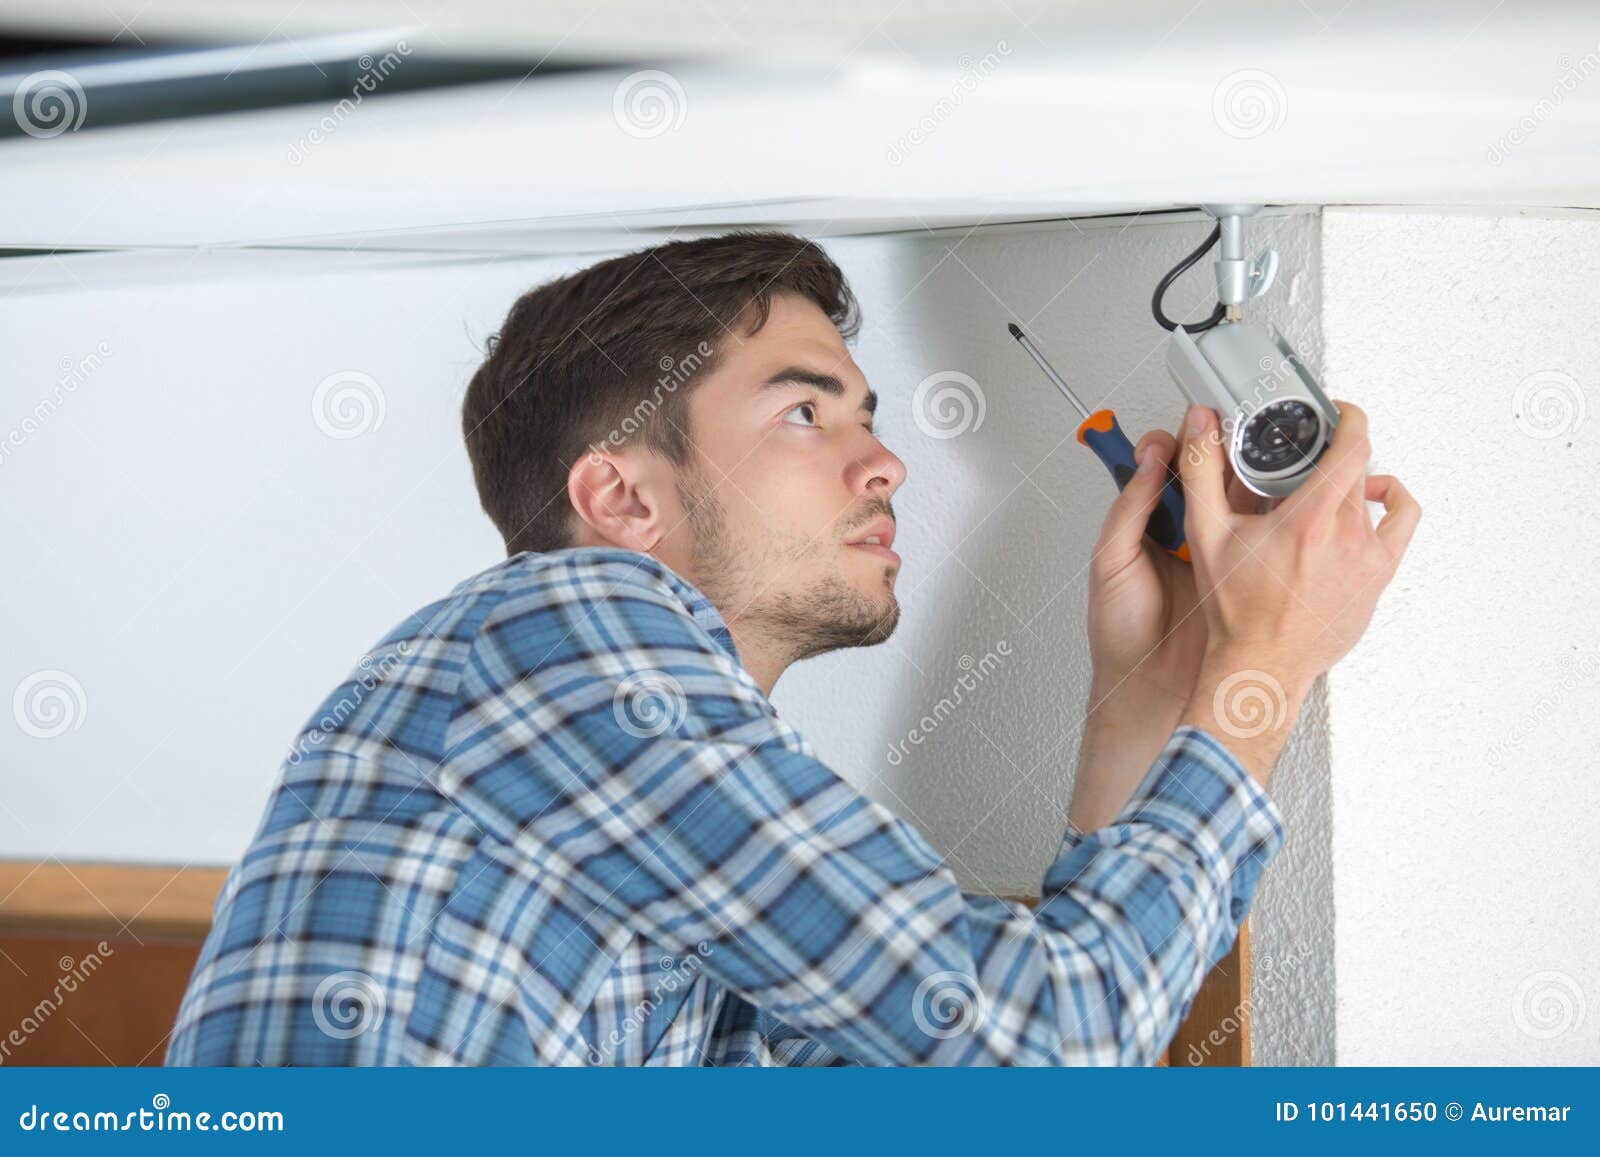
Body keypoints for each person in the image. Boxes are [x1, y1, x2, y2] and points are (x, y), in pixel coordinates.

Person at [166, 231, 1419, 1066]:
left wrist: (1150, 703)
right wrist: (1267, 667)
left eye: (864, 415)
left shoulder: (657, 800)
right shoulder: (559, 628)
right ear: (619, 501)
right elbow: (1047, 1051)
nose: (882, 462)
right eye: (802, 410)